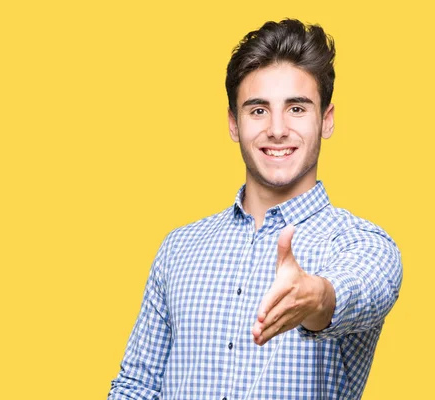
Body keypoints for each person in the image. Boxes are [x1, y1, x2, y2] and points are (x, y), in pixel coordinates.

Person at [107, 19, 402, 400]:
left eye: (297, 108)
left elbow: (361, 290)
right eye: (258, 110)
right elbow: (137, 386)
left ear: (325, 120)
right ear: (234, 123)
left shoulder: (363, 245)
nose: (277, 129)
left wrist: (315, 297)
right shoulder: (178, 249)